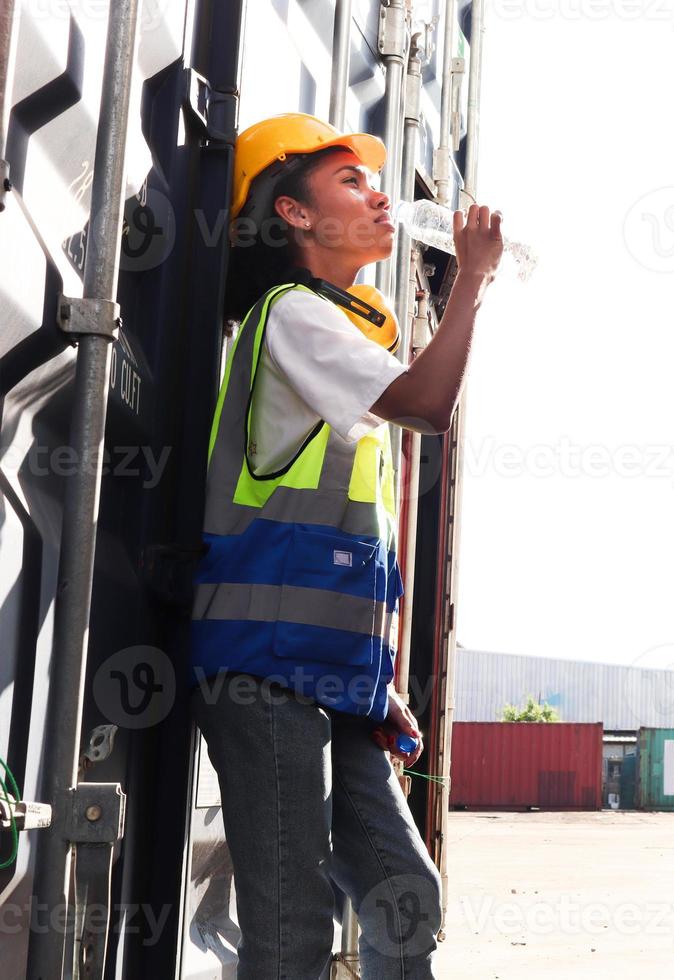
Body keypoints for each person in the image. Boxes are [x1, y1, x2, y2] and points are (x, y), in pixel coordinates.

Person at [188, 112, 501, 980]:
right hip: (267, 670)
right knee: (292, 931)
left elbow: (342, 547)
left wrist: (375, 687)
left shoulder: (335, 334)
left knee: (406, 894)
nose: (378, 195)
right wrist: (471, 281)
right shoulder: (290, 316)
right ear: (293, 215)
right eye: (351, 183)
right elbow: (428, 405)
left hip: (329, 681)